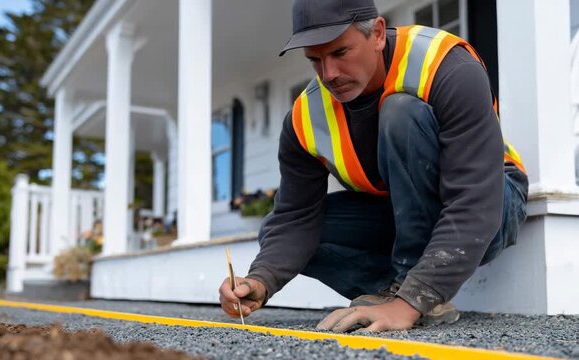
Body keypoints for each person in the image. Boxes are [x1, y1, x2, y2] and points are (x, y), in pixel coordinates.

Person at [219, 0, 528, 332]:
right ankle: (403, 294)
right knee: (277, 233)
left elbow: (475, 201)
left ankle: (411, 295)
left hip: (493, 202)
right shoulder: (304, 118)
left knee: (401, 114)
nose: (329, 75)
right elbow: (296, 217)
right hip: (400, 212)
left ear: (378, 33)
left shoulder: (447, 67)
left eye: (340, 52)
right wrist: (259, 280)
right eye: (315, 60)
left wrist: (409, 303)